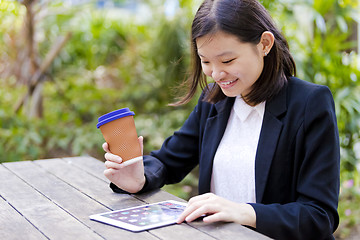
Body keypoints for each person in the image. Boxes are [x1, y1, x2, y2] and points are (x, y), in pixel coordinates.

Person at [102, 0, 340, 239]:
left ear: (265, 44)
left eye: (227, 61)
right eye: (206, 61)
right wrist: (138, 178)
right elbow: (168, 161)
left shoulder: (309, 103)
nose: (216, 74)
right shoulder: (214, 101)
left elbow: (319, 216)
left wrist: (243, 212)